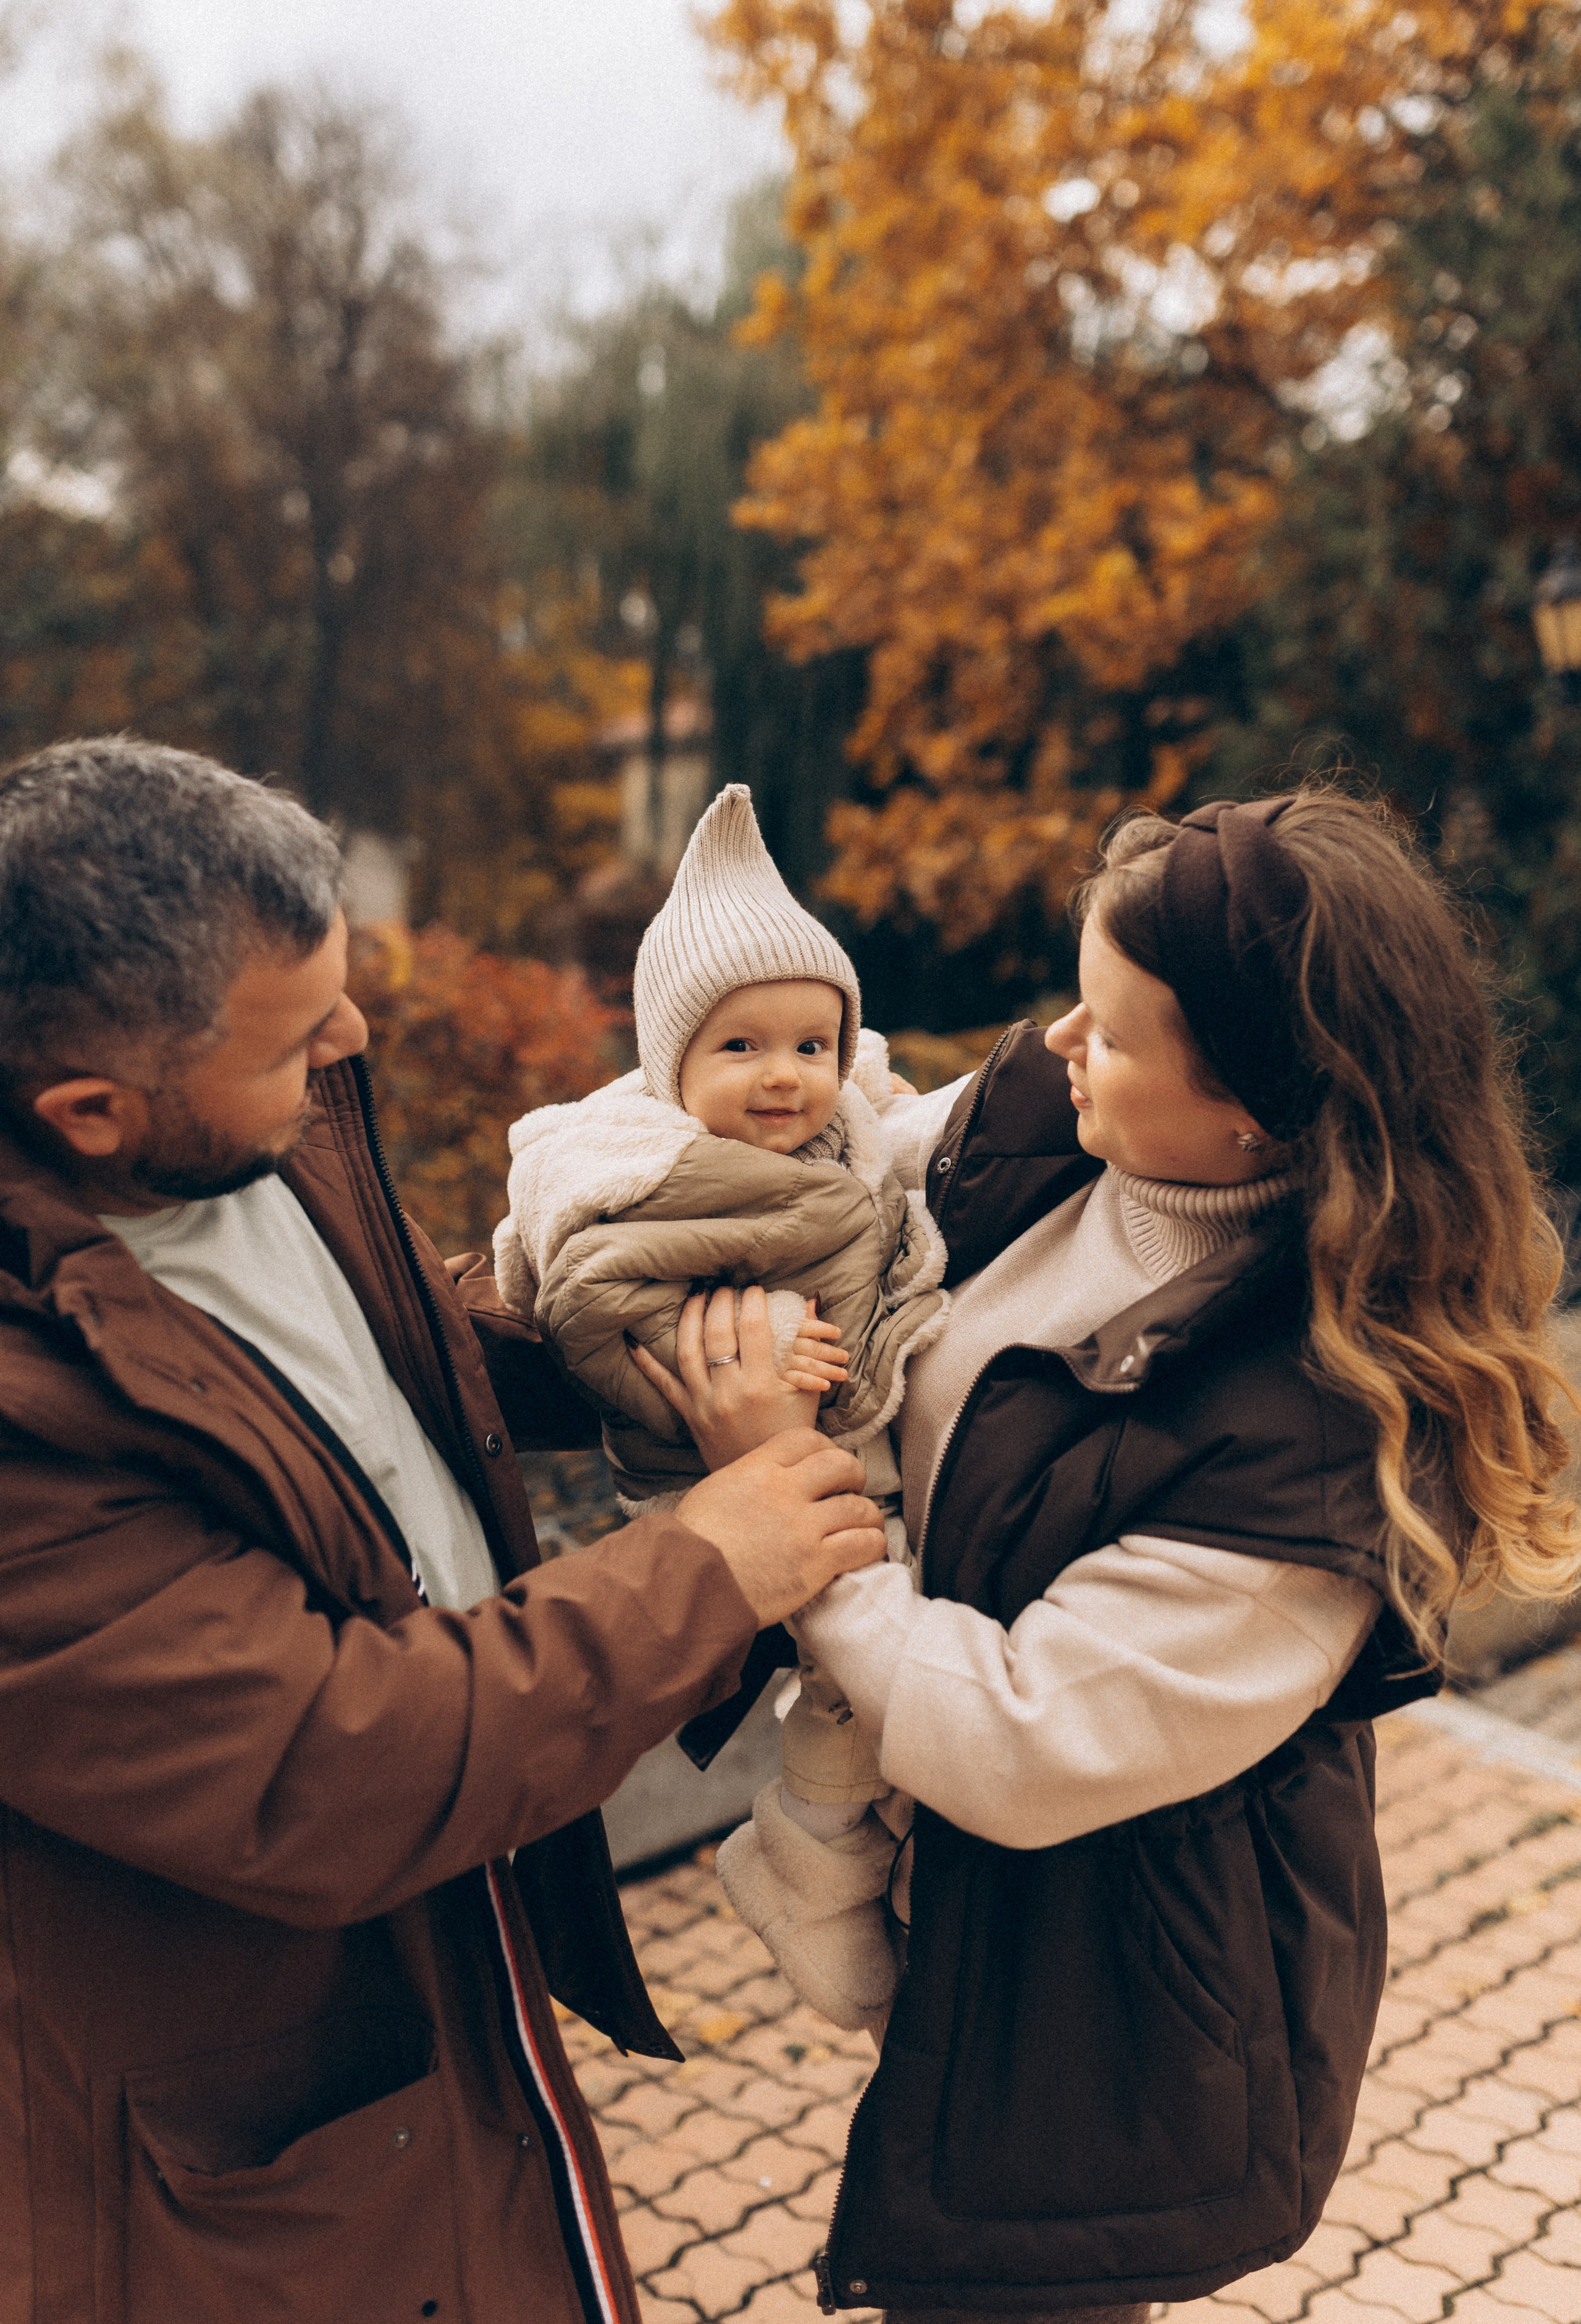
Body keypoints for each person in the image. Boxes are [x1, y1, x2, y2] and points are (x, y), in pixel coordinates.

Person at [631, 788, 1578, 2324]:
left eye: (1118, 1032)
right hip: (972, 1901)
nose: (1061, 1040)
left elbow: (1020, 1735)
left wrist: (779, 1500)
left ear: (1259, 1113)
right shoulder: (1047, 1134)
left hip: (1120, 1985)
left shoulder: (1310, 1435)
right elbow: (804, 1163)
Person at [0, 737, 886, 2324]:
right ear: (92, 1109)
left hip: (435, 1982)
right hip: (227, 2143)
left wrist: (658, 1350)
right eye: (295, 1039)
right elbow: (328, 1758)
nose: (349, 1035)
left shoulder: (230, 1142)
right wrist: (707, 1562)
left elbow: (400, 1352)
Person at [495, 784, 947, 2034]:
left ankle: (847, 1845)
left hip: (843, 1435)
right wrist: (725, 1345)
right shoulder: (640, 1186)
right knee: (865, 1652)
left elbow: (895, 1151)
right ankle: (809, 1855)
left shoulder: (844, 1131)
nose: (782, 1078)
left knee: (888, 1656)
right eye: (738, 1048)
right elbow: (585, 1306)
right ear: (670, 1062)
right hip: (722, 1458)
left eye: (811, 1044)